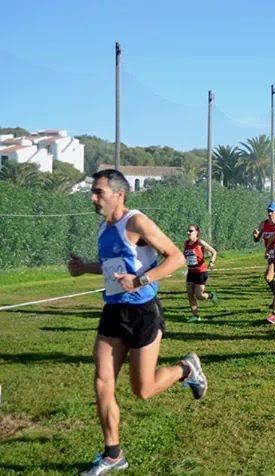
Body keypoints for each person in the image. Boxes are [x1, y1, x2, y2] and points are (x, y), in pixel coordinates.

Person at [67, 169, 207, 476]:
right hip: (113, 312)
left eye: (98, 192)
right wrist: (84, 268)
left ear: (119, 194)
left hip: (143, 311)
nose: (93, 197)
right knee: (102, 381)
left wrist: (140, 280)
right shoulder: (104, 228)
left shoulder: (136, 222)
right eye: (93, 191)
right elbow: (110, 268)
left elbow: (175, 257)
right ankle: (113, 454)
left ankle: (186, 369)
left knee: (142, 389)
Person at [253, 202, 275, 321]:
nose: (270, 213)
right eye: (268, 211)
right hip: (270, 254)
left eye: (272, 211)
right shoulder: (263, 224)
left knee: (270, 277)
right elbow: (257, 239)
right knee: (271, 277)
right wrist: (255, 235)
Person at [184, 224, 218, 322]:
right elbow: (185, 255)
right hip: (191, 272)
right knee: (190, 294)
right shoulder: (186, 243)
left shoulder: (200, 242)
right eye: (188, 231)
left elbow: (214, 252)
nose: (188, 233)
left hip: (201, 272)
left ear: (197, 232)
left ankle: (211, 295)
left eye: (190, 231)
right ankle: (196, 316)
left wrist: (212, 262)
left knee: (199, 295)